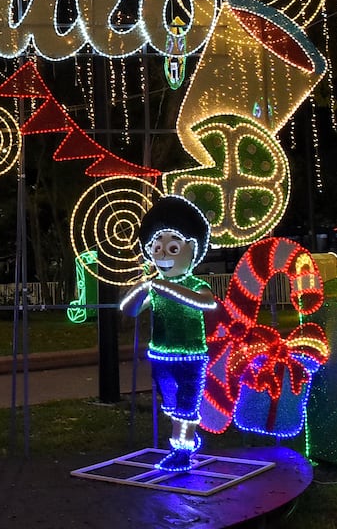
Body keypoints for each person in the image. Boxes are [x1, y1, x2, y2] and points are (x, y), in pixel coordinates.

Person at [120, 195, 218, 472]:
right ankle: (187, 440)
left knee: (187, 404)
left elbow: (206, 302)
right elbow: (129, 310)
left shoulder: (194, 284)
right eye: (157, 248)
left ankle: (181, 450)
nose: (162, 255)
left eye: (172, 248)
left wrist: (168, 289)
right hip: (161, 355)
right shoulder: (155, 286)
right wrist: (140, 291)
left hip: (191, 357)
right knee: (171, 404)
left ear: (192, 249)